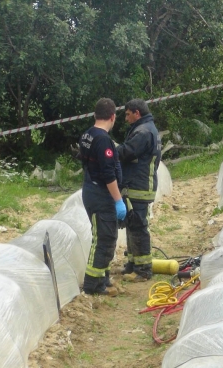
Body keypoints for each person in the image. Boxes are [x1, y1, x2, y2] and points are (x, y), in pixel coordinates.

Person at [79, 98, 127, 296]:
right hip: (101, 194)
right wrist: (118, 201)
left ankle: (103, 279)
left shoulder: (87, 135)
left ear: (95, 115)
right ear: (113, 117)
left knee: (106, 236)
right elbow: (108, 174)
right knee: (104, 239)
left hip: (90, 189)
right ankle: (92, 285)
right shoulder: (103, 140)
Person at [116, 98, 162, 282]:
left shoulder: (143, 132)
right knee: (132, 224)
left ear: (137, 113)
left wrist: (107, 150)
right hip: (138, 184)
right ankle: (133, 264)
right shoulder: (146, 128)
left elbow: (127, 152)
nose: (126, 118)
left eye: (128, 114)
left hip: (139, 186)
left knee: (138, 226)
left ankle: (143, 270)